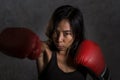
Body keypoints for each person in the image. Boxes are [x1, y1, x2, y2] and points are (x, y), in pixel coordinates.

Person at [0, 5, 111, 80]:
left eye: (66, 34)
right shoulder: (44, 50)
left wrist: (102, 72)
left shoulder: (85, 53)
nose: (59, 39)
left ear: (76, 34)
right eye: (56, 32)